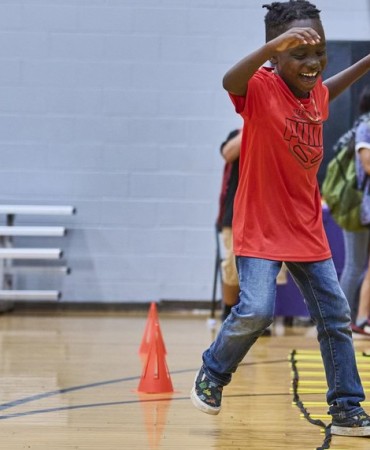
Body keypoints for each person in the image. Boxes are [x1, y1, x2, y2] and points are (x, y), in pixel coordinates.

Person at [190, 0, 370, 438]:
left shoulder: (317, 95)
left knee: (335, 316)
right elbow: (228, 80)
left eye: (318, 51)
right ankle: (213, 371)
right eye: (298, 52)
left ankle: (346, 408)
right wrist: (272, 45)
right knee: (255, 310)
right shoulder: (260, 90)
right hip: (261, 228)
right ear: (274, 55)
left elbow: (332, 86)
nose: (312, 62)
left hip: (306, 230)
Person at [340, 85, 370, 337]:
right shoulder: (365, 127)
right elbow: (367, 165)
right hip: (361, 206)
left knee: (363, 267)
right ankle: (339, 319)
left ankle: (360, 318)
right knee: (354, 265)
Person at [216, 129, 242, 321]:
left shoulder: (279, 131)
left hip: (268, 212)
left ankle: (260, 316)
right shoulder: (237, 134)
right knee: (232, 266)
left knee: (270, 268)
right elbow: (228, 153)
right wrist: (252, 126)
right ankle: (229, 311)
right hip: (236, 212)